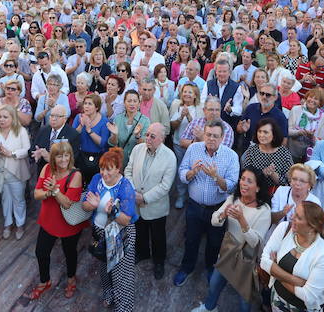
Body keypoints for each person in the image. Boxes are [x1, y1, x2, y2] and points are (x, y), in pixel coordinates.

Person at [191, 167, 272, 312]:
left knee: (243, 300)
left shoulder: (264, 211)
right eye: (242, 179)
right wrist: (222, 215)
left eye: (249, 181)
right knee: (215, 284)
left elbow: (255, 242)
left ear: (258, 188)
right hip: (227, 253)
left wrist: (242, 220)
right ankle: (209, 308)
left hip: (246, 261)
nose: (243, 183)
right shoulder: (233, 199)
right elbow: (214, 220)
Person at [174, 119, 240, 287]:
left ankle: (210, 268)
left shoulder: (231, 156)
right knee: (191, 239)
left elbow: (231, 185)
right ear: (204, 134)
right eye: (208, 135)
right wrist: (192, 172)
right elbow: (182, 172)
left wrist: (216, 177)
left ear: (222, 137)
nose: (211, 139)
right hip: (194, 206)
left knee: (214, 242)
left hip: (217, 209)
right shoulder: (193, 148)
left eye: (215, 136)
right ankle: (186, 268)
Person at [81, 146, 138, 312]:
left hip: (120, 235)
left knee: (122, 275)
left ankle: (124, 307)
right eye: (102, 168)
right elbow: (85, 204)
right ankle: (109, 293)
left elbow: (126, 219)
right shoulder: (96, 179)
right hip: (100, 232)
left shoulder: (126, 187)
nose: (104, 173)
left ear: (118, 169)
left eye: (109, 169)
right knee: (105, 267)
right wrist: (90, 205)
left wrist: (113, 211)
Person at [31, 140, 85, 300]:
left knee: (69, 253)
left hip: (68, 222)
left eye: (66, 156)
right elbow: (36, 194)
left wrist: (54, 189)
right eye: (59, 157)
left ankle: (71, 279)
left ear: (71, 157)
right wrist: (48, 193)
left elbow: (67, 203)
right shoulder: (47, 168)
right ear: (53, 157)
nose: (63, 160)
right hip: (49, 218)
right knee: (41, 252)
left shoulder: (76, 175)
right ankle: (44, 281)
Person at [124, 122, 176, 279]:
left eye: (152, 136)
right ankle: (143, 253)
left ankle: (159, 261)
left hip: (156, 207)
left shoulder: (170, 157)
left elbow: (165, 186)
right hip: (136, 203)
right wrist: (133, 193)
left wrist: (144, 198)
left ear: (162, 138)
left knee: (158, 236)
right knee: (140, 231)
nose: (148, 138)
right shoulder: (137, 149)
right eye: (147, 134)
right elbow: (128, 170)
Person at [260, 200, 324, 312]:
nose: (292, 217)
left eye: (298, 217)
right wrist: (296, 281)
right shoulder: (284, 228)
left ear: (312, 227)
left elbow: (309, 296)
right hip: (277, 301)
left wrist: (275, 270)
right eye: (294, 212)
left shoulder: (323, 254)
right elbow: (264, 261)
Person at [0, 104, 30, 239]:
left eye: (5, 117)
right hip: (0, 172)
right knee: (5, 199)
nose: (1, 120)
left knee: (18, 199)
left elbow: (27, 150)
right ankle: (8, 223)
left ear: (12, 118)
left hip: (16, 171)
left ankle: (20, 223)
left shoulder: (20, 131)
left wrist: (11, 153)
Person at [241, 116, 293, 188]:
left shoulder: (284, 153)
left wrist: (274, 175)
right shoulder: (251, 151)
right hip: (255, 192)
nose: (261, 135)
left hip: (278, 194)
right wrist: (262, 174)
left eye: (265, 132)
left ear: (274, 134)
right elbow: (245, 176)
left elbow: (290, 182)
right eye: (259, 131)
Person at [107, 89, 150, 168]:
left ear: (139, 103)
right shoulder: (117, 119)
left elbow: (145, 145)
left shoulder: (145, 120)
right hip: (120, 162)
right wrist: (115, 135)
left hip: (137, 162)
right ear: (124, 103)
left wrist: (137, 136)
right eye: (129, 101)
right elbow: (112, 144)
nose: (132, 104)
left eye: (135, 101)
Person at [73, 92, 110, 184]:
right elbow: (72, 137)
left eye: (90, 104)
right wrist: (81, 126)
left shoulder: (104, 121)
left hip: (98, 158)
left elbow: (102, 143)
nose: (86, 106)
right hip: (81, 157)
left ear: (96, 107)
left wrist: (89, 130)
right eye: (85, 103)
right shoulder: (78, 117)